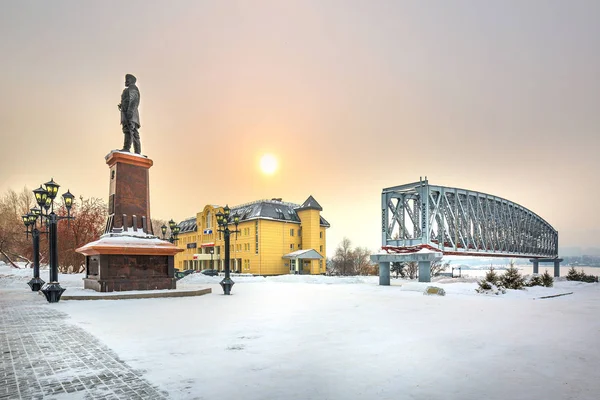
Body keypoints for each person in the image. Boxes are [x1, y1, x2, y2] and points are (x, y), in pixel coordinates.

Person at [117, 74, 141, 154]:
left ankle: (127, 148)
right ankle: (136, 151)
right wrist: (122, 105)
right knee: (131, 131)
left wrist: (130, 112)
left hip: (130, 115)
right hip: (127, 114)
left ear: (132, 80)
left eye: (128, 79)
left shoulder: (132, 88)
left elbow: (133, 100)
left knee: (130, 131)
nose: (126, 81)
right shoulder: (128, 89)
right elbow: (127, 100)